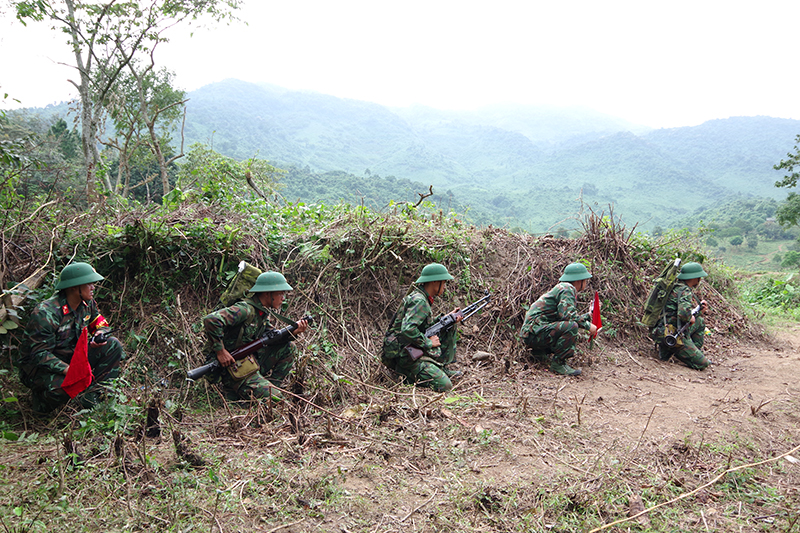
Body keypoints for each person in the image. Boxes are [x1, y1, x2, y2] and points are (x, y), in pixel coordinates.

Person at [17, 262, 124, 413]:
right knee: (66, 385)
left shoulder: (87, 304)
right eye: (89, 284)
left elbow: (100, 323)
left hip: (73, 357)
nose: (93, 288)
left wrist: (99, 335)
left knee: (113, 345)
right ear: (74, 287)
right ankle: (42, 403)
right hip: (39, 368)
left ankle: (92, 395)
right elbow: (39, 354)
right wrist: (68, 370)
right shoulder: (46, 313)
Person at [203, 271, 309, 401]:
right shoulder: (245, 309)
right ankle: (246, 392)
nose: (283, 298)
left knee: (288, 347)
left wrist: (294, 332)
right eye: (280, 293)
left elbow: (273, 339)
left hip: (249, 361)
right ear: (267, 293)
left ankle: (270, 388)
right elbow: (211, 320)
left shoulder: (261, 313)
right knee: (278, 400)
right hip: (233, 368)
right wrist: (221, 351)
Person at [382, 263, 463, 392]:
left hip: (410, 350)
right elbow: (408, 329)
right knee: (445, 385)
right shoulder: (420, 301)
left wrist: (446, 319)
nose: (445, 287)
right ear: (435, 282)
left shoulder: (421, 297)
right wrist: (429, 343)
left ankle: (440, 366)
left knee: (448, 325)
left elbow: (422, 327)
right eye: (444, 283)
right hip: (405, 356)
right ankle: (404, 374)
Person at [519, 262, 597, 376]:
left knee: (568, 325)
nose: (586, 284)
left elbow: (562, 315)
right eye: (585, 280)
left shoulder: (562, 288)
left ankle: (539, 353)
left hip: (532, 333)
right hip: (534, 333)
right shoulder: (567, 288)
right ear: (578, 281)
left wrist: (589, 315)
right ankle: (558, 364)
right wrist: (588, 326)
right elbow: (568, 316)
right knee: (571, 327)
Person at [652, 262, 710, 370]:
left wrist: (698, 312)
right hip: (672, 333)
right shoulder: (685, 291)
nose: (699, 280)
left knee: (700, 321)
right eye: (699, 277)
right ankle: (686, 353)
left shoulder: (674, 287)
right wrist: (690, 317)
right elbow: (683, 315)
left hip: (662, 329)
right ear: (695, 278)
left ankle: (687, 351)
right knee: (703, 363)